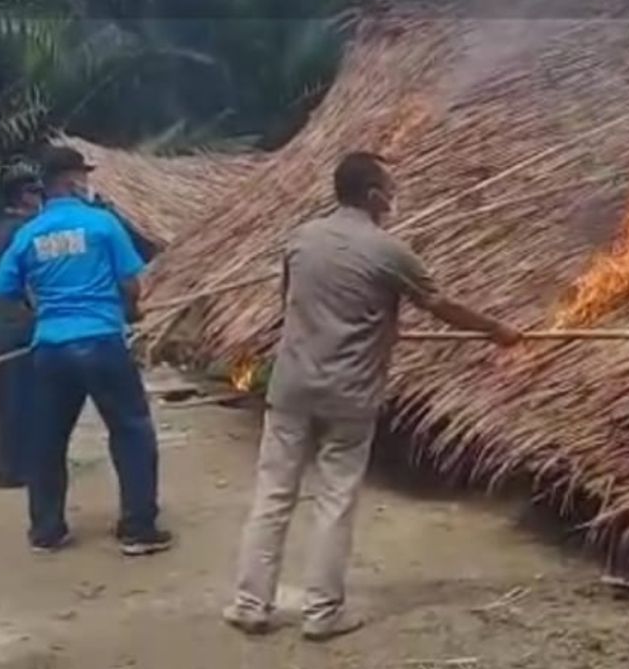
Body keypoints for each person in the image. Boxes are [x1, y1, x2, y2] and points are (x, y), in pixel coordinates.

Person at [223, 151, 522, 641]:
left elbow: (290, 306)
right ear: (372, 195)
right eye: (391, 189)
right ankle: (322, 613)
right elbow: (440, 305)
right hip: (349, 395)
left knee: (273, 496)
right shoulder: (389, 253)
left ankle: (250, 604)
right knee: (334, 500)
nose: (395, 198)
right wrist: (496, 330)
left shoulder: (301, 239)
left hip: (292, 387)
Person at [0, 145, 172, 556]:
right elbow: (130, 281)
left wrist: (39, 315)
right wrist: (130, 309)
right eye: (84, 176)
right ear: (72, 181)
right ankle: (138, 529)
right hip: (102, 340)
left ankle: (47, 531)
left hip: (51, 348)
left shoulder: (29, 234)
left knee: (48, 440)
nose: (89, 183)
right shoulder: (101, 224)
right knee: (131, 431)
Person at [0, 173, 44, 489]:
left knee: (8, 396)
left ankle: (10, 465)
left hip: (3, 320)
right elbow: (27, 281)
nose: (39, 197)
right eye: (34, 191)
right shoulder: (21, 231)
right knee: (21, 395)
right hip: (18, 320)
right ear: (21, 196)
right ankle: (16, 467)